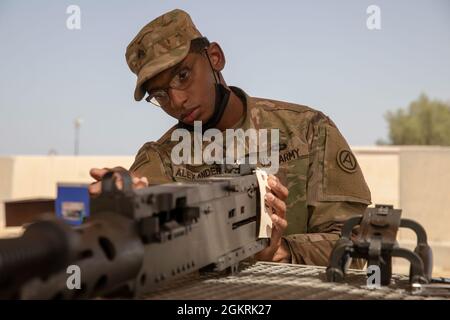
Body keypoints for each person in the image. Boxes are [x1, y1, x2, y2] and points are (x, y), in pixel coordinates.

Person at [89, 9, 371, 266]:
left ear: (215, 58)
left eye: (183, 75)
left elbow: (362, 250)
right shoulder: (161, 158)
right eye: (160, 94)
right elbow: (131, 240)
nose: (176, 100)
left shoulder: (307, 130)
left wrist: (281, 251)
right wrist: (120, 200)